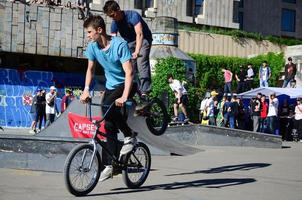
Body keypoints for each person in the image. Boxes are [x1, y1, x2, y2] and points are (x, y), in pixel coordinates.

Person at [80, 15, 138, 182]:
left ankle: (129, 135)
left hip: (127, 84)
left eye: (90, 32)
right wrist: (86, 90)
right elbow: (90, 70)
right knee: (109, 124)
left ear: (99, 30)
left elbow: (129, 72)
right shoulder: (92, 47)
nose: (88, 35)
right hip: (111, 87)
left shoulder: (119, 45)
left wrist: (125, 96)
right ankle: (112, 165)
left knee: (107, 106)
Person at [103, 0, 152, 101]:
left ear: (118, 10)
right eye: (110, 16)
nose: (113, 18)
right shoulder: (114, 24)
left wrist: (137, 52)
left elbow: (140, 34)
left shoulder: (132, 15)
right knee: (129, 68)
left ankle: (145, 92)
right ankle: (132, 90)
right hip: (129, 43)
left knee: (141, 63)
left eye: (113, 15)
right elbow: (113, 41)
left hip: (143, 40)